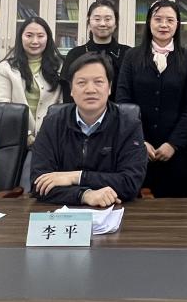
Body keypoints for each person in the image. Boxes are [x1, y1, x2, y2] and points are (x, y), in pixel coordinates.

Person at [31, 53, 147, 207]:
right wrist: (84, 195)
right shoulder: (53, 123)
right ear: (71, 89)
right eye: (81, 82)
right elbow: (39, 184)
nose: (90, 89)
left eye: (98, 82)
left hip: (114, 212)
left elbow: (130, 183)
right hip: (62, 214)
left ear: (109, 87)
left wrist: (76, 177)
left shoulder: (129, 125)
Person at [116, 0, 187, 197]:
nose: (164, 25)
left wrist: (173, 144)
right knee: (136, 208)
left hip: (175, 152)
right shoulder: (132, 56)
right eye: (158, 19)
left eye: (170, 20)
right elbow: (123, 101)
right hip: (137, 149)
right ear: (149, 22)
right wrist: (139, 141)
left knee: (178, 208)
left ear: (177, 24)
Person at [0, 16, 64, 145]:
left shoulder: (60, 67)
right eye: (29, 35)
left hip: (52, 138)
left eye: (40, 36)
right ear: (20, 37)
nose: (35, 41)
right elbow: (2, 107)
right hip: (15, 138)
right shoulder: (6, 68)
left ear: (48, 38)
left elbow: (62, 105)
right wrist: (27, 136)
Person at [61, 0, 130, 103]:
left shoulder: (128, 53)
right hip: (83, 111)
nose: (102, 24)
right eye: (97, 19)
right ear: (89, 22)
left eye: (107, 19)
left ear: (116, 23)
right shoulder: (75, 54)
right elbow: (67, 91)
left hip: (121, 111)